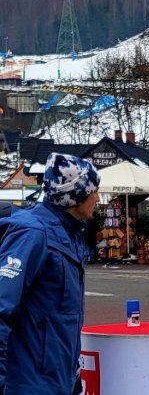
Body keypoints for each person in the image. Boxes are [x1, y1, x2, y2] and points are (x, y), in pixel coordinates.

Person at [0, 153, 100, 395]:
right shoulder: (34, 234)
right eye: (93, 191)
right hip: (28, 383)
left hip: (58, 380)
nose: (97, 198)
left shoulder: (68, 234)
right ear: (75, 197)